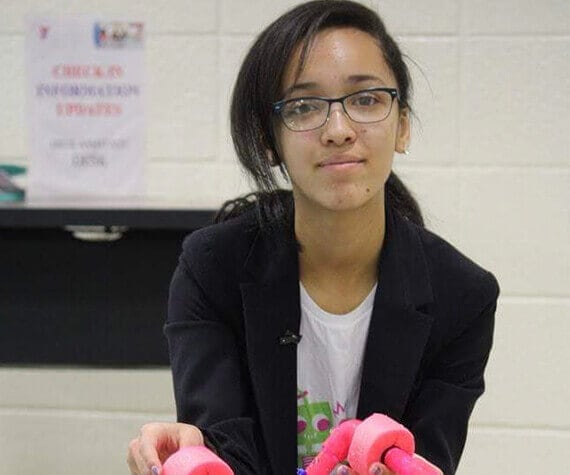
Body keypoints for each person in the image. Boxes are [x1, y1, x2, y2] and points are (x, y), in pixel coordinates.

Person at [127, 1, 499, 474]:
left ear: (402, 124)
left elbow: (426, 458)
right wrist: (188, 455)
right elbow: (223, 446)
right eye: (304, 106)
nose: (339, 130)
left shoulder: (462, 296)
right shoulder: (212, 268)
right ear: (269, 139)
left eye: (366, 99)